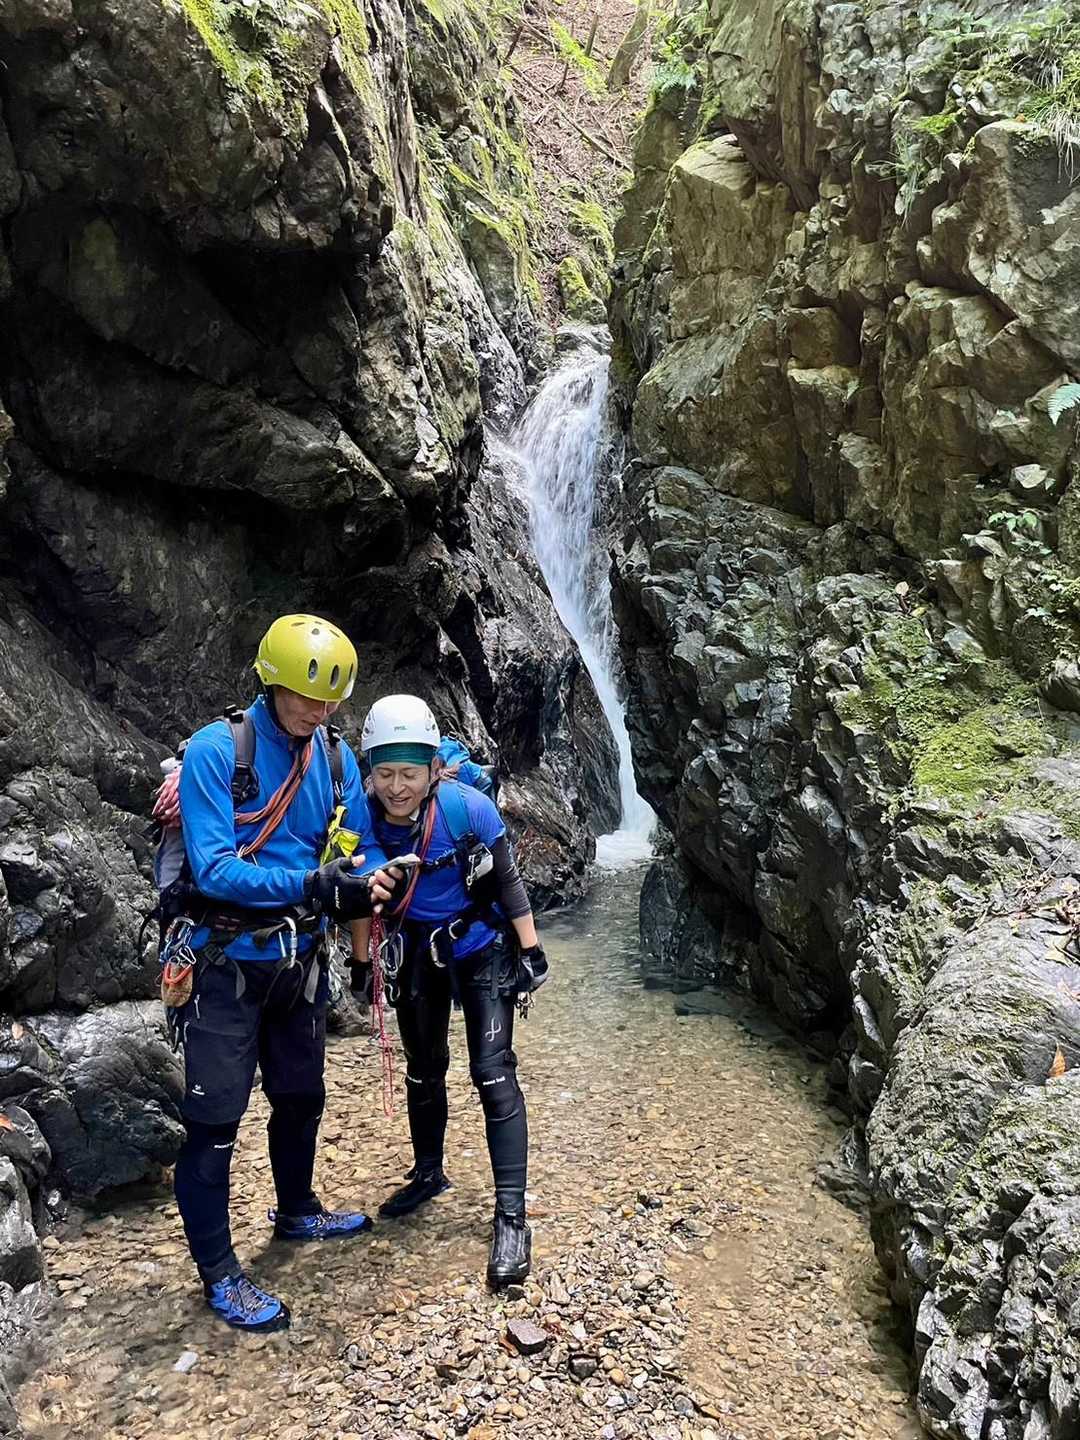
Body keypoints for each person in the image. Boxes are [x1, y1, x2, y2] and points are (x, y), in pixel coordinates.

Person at [161, 614, 399, 1332]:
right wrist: (313, 885)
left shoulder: (334, 756)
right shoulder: (217, 752)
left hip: (298, 963)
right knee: (214, 1124)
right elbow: (215, 869)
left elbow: (355, 848)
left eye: (329, 700)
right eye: (304, 696)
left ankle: (297, 1210)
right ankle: (220, 1274)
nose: (317, 711)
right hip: (223, 962)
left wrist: (368, 887)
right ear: (270, 683)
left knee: (300, 1097)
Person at [356, 694, 548, 1288]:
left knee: (492, 1071)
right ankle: (428, 1173)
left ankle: (511, 1218)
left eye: (410, 774)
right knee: (423, 1067)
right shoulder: (361, 814)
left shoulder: (470, 810)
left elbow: (507, 880)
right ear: (370, 772)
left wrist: (532, 950)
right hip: (417, 949)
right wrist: (362, 964)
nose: (397, 787)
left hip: (480, 944)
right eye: (386, 773)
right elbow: (361, 894)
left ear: (435, 770)